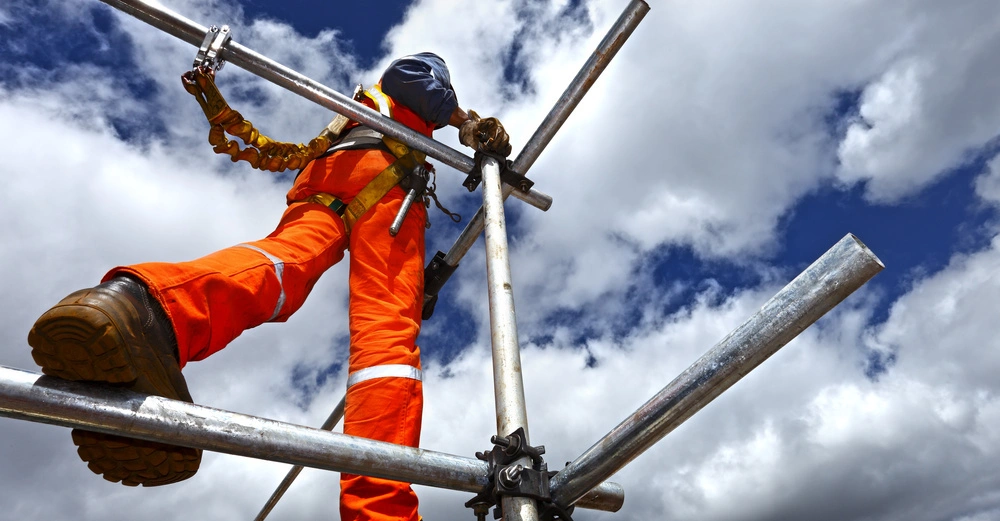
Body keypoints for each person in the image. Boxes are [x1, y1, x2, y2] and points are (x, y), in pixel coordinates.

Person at [27, 52, 510, 521]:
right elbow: (413, 80)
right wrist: (465, 122)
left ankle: (149, 310)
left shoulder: (365, 109)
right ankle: (379, 508)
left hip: (334, 179)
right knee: (385, 339)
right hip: (387, 181)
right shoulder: (415, 78)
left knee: (284, 266)